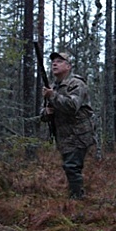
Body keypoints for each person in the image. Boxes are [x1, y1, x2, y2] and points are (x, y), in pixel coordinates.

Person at [40, 51, 95, 199]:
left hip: (78, 135)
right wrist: (47, 112)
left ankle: (76, 200)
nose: (54, 64)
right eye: (53, 61)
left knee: (72, 167)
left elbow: (72, 106)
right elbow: (43, 115)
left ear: (68, 66)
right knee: (70, 167)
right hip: (64, 137)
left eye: (59, 61)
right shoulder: (52, 87)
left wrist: (52, 96)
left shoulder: (77, 84)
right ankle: (75, 196)